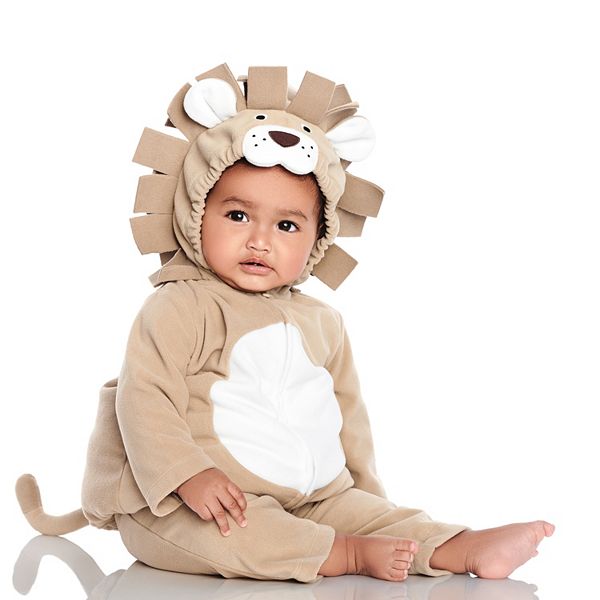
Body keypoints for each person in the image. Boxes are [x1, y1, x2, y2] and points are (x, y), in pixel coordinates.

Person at [15, 64, 554, 584]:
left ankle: (460, 546)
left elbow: (350, 418)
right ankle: (341, 553)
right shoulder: (181, 306)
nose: (260, 240)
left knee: (382, 520)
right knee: (233, 534)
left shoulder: (323, 321)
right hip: (190, 500)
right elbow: (145, 398)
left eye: (287, 225)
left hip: (315, 497)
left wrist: (368, 497)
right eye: (237, 215)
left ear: (320, 236)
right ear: (195, 211)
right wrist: (187, 474)